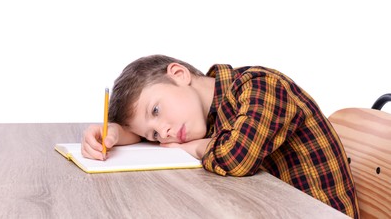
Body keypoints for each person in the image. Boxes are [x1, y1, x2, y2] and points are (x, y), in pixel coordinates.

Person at [81, 54, 359, 218]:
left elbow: (235, 157)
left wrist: (196, 147)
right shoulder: (202, 115)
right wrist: (114, 132)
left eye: (156, 110)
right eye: (153, 135)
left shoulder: (260, 87)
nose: (163, 132)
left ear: (179, 74)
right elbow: (141, 134)